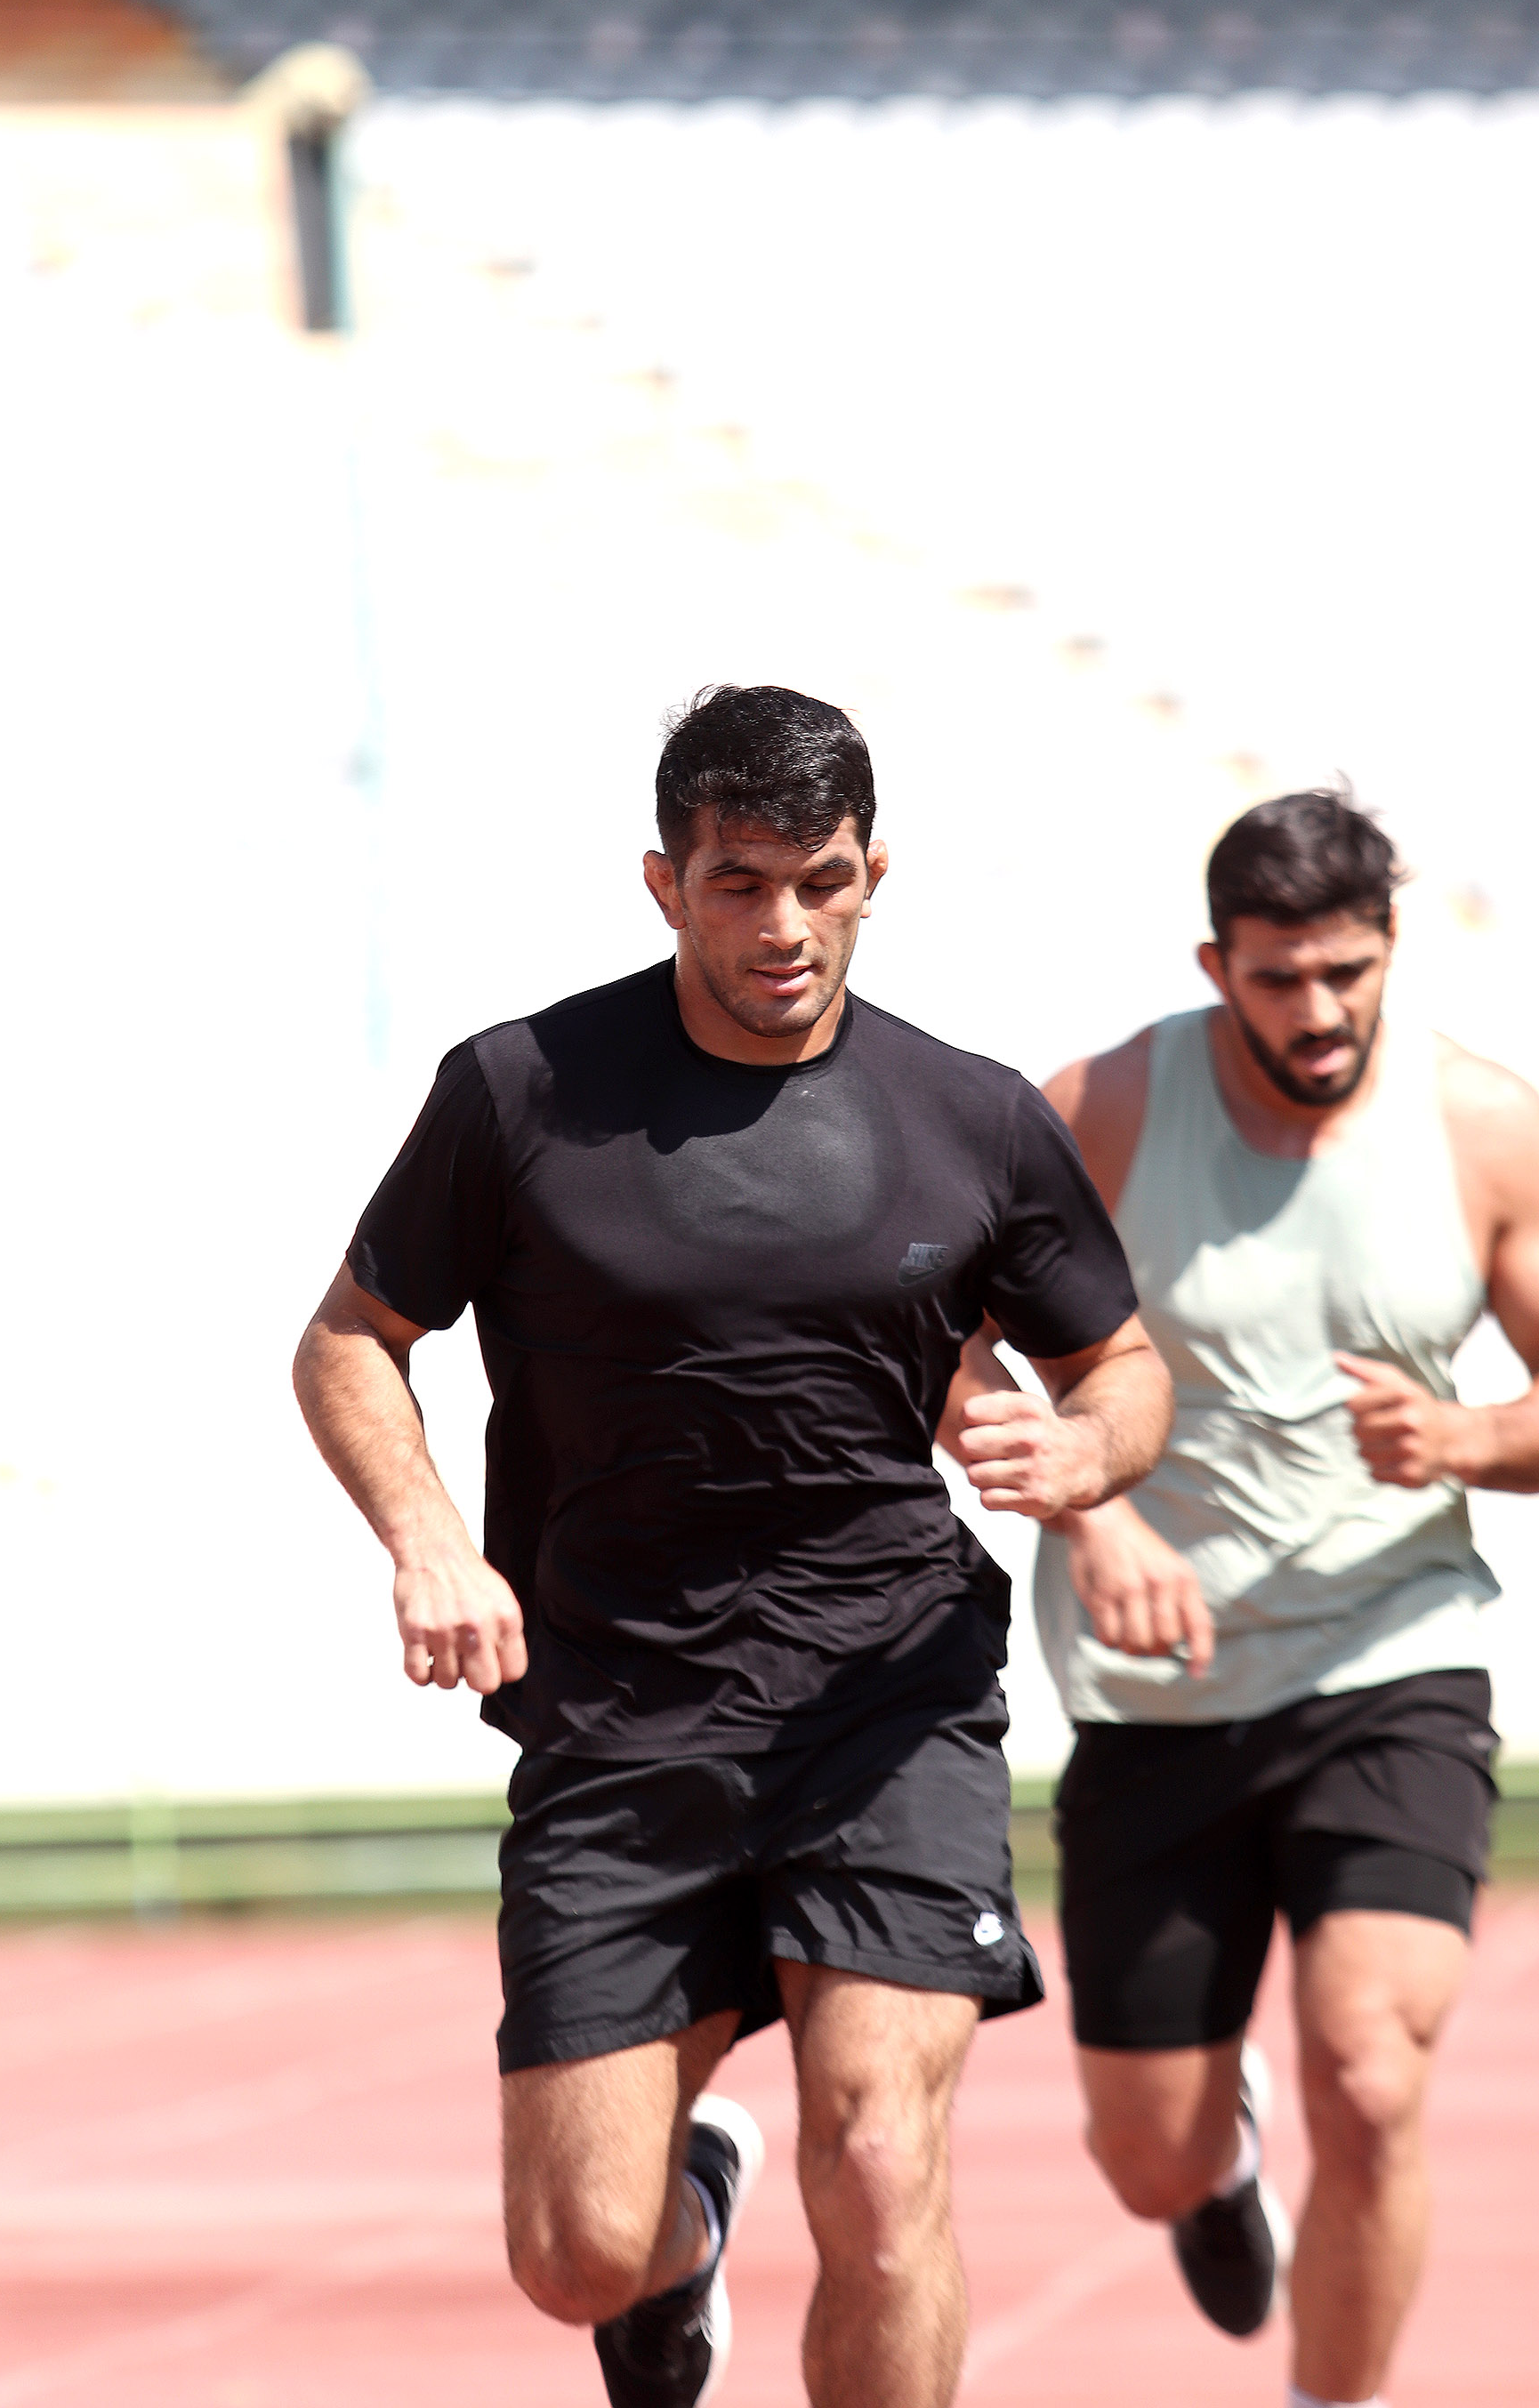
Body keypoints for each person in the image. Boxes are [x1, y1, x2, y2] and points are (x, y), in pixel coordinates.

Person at [293, 683, 1174, 2408]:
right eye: (738, 883)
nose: (783, 927)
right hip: (619, 1714)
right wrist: (429, 1541)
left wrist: (1082, 1453)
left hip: (888, 1705)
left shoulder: (975, 1115)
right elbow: (348, 1340)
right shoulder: (521, 1091)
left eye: (820, 882)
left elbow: (1122, 1369)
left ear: (873, 877)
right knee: (578, 2252)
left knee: (883, 2163)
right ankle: (686, 2207)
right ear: (664, 882)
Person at [1035, 786, 1539, 2408]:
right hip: (1157, 1686)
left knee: (1374, 2080)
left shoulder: (1484, 1128)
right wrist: (1093, 1507)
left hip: (1393, 1656)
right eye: (1276, 979)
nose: (1316, 1012)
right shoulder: (1106, 1107)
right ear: (1216, 966)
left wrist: (1469, 1438)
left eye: (1345, 972)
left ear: (1390, 946)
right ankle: (1217, 2161)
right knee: (1149, 2160)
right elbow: (941, 1340)